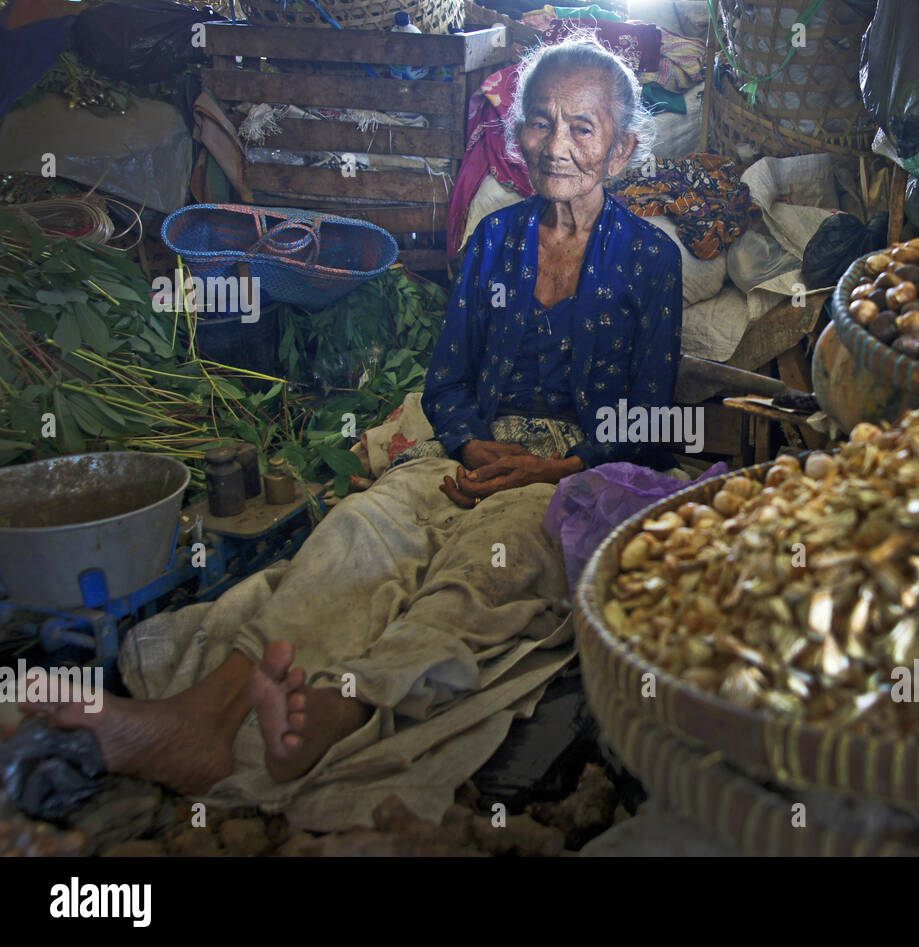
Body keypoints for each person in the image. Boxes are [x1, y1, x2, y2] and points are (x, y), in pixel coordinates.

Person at [19, 38, 683, 798]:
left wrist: (548, 467)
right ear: (516, 135)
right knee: (357, 533)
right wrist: (472, 445)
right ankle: (201, 712)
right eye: (538, 123)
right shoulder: (495, 239)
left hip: (573, 477)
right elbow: (448, 381)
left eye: (582, 127)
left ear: (623, 147)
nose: (555, 145)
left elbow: (649, 421)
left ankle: (335, 709)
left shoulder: (649, 260)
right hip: (470, 455)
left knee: (480, 569)